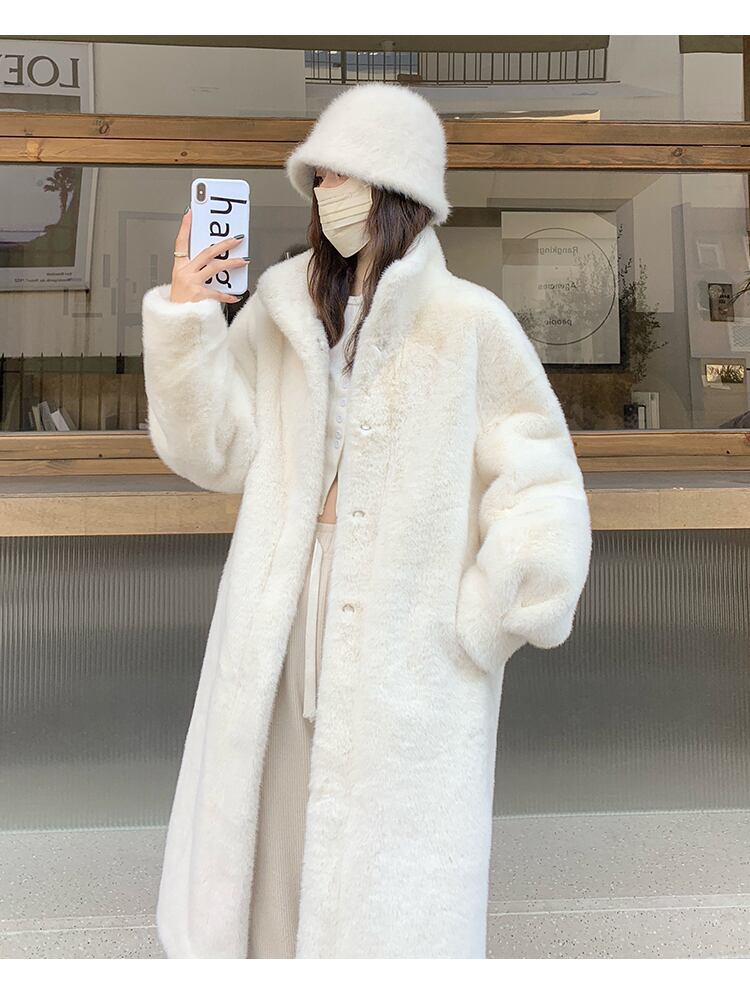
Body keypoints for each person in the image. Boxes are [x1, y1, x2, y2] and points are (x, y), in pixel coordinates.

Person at [140, 81, 593, 960]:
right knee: (270, 822)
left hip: (405, 624)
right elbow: (215, 452)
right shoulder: (281, 309)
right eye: (317, 178)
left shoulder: (468, 323)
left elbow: (539, 473)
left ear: (394, 188)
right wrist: (190, 318)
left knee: (386, 857)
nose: (323, 193)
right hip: (282, 602)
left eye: (341, 176)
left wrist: (494, 610)